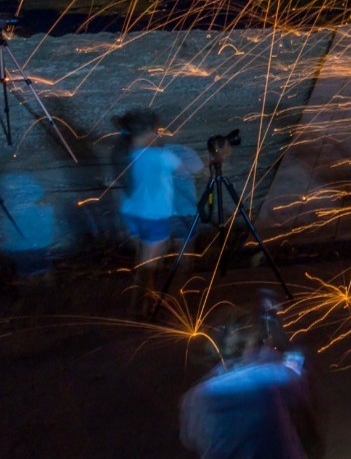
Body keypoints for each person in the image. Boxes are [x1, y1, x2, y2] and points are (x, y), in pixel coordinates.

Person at [180, 298, 320, 458]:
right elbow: (297, 367)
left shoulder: (197, 397)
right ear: (252, 345)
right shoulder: (274, 377)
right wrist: (278, 329)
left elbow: (190, 439)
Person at [116, 108, 202, 300]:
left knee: (142, 258)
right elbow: (185, 171)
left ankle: (144, 297)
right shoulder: (163, 156)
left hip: (130, 212)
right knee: (149, 265)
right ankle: (146, 304)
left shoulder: (127, 155)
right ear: (150, 132)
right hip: (154, 215)